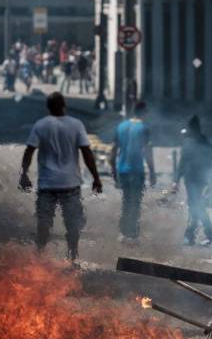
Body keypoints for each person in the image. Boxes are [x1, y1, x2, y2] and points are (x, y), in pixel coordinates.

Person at [20, 92, 103, 265]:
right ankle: (72, 256)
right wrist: (96, 177)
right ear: (64, 105)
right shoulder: (76, 124)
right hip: (70, 183)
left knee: (44, 222)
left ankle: (40, 256)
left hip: (47, 184)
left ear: (48, 107)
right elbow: (86, 152)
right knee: (72, 223)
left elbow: (29, 150)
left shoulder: (41, 125)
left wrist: (24, 174)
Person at [110, 101, 157, 243]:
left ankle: (123, 233)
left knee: (126, 201)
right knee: (135, 202)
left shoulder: (121, 126)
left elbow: (113, 151)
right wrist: (152, 172)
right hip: (137, 171)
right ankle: (133, 234)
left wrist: (113, 171)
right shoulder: (144, 128)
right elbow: (147, 151)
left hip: (122, 170)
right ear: (143, 112)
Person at [173, 115, 212, 246]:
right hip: (195, 180)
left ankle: (195, 234)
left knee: (196, 206)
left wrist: (176, 180)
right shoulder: (203, 142)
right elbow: (211, 163)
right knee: (196, 206)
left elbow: (183, 163)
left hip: (196, 180)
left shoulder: (192, 142)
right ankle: (201, 234)